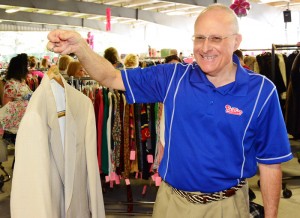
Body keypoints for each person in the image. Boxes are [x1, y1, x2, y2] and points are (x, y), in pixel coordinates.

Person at [47, 3, 292, 217]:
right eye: (199, 38)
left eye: (216, 38)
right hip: (172, 203)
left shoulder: (261, 91)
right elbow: (110, 77)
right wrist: (80, 47)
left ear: (236, 41)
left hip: (227, 207)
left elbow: (270, 164)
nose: (205, 47)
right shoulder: (172, 77)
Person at [0, 53, 33, 134]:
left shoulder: (22, 81)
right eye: (26, 67)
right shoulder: (11, 84)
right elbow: (7, 106)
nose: (28, 69)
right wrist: (25, 104)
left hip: (25, 121)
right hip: (16, 126)